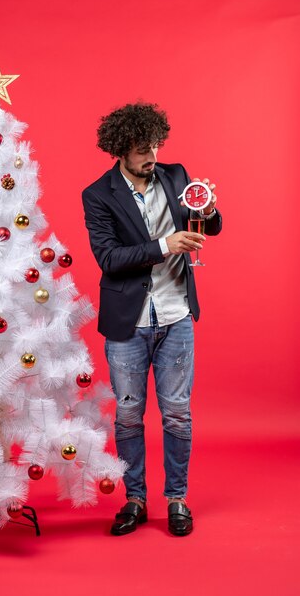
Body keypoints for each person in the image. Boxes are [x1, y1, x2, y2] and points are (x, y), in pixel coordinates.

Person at [81, 103, 222, 536]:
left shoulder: (177, 176)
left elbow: (211, 228)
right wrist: (164, 245)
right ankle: (134, 500)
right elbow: (109, 258)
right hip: (129, 322)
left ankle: (176, 498)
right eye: (143, 149)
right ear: (121, 149)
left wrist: (210, 210)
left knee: (178, 414)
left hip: (177, 314)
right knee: (128, 415)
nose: (152, 156)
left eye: (156, 146)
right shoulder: (98, 195)